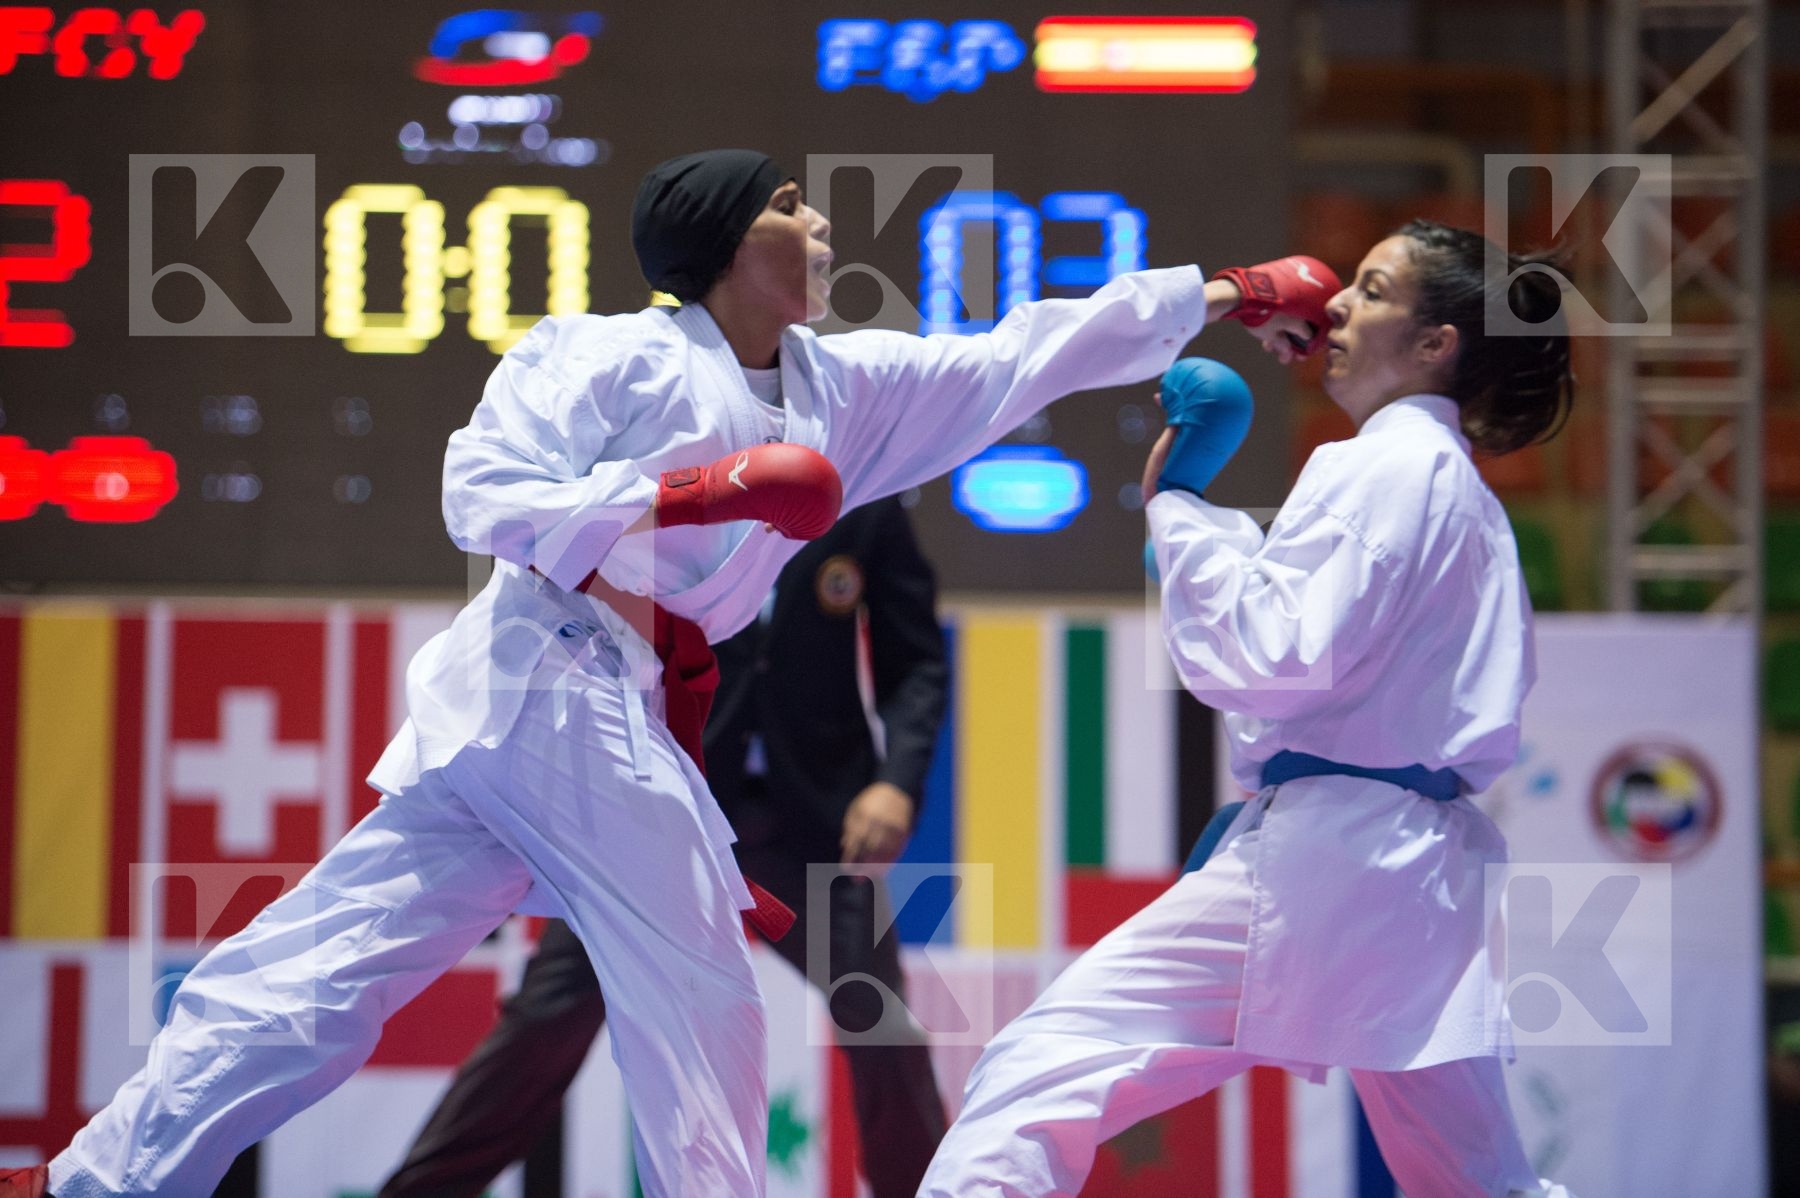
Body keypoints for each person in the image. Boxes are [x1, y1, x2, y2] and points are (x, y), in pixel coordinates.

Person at [11, 148, 1322, 1198]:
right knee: (697, 985)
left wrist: (1240, 288)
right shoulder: (601, 353)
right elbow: (484, 496)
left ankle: (98, 1177)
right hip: (548, 670)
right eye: (791, 206)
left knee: (321, 969)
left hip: (592, 715)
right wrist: (692, 488)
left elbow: (1028, 347)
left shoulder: (840, 387)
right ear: (726, 240)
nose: (819, 225)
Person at [917, 220, 1582, 1197]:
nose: (1340, 307)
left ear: (1436, 345)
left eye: (1373, 289)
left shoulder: (1383, 465)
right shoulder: (1468, 498)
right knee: (1477, 1180)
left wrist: (1181, 508)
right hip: (1416, 866)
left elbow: (1277, 656)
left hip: (1336, 858)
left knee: (1046, 1063)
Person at [377, 495, 950, 1198]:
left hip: (814, 820)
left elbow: (916, 658)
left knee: (882, 1024)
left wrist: (896, 783)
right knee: (547, 1019)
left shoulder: (861, 486)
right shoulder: (670, 472)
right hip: (659, 806)